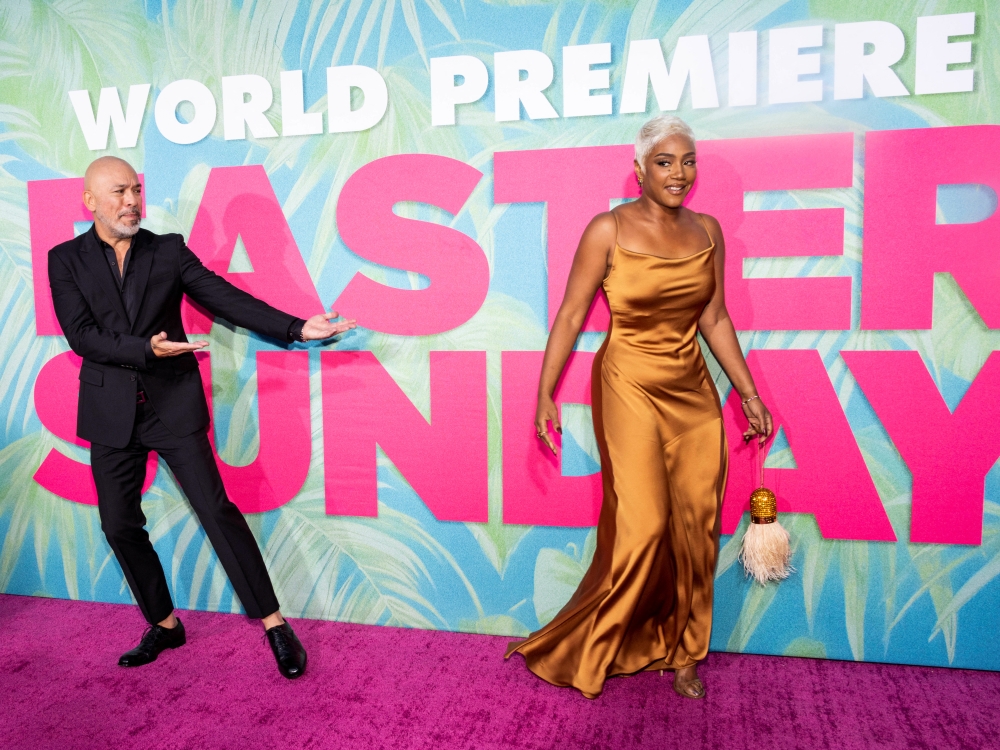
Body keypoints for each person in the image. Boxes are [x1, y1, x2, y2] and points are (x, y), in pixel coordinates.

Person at [48, 156, 356, 679]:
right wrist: (145, 349)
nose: (132, 201)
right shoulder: (65, 259)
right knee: (118, 524)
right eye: (120, 192)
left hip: (171, 404)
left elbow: (225, 298)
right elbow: (82, 336)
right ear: (90, 201)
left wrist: (296, 327)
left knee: (217, 512)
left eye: (136, 190)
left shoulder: (167, 250)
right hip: (111, 411)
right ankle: (164, 624)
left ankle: (275, 624)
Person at [506, 116, 773, 699]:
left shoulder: (708, 231)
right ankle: (598, 644)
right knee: (644, 525)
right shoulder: (608, 229)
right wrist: (545, 391)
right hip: (627, 383)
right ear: (639, 169)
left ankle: (685, 652)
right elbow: (571, 315)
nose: (679, 173)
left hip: (693, 392)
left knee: (697, 524)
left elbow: (714, 317)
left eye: (688, 161)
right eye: (665, 161)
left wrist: (749, 392)